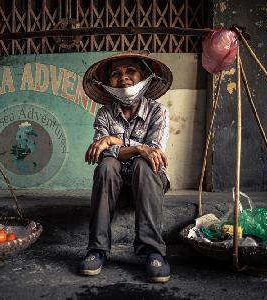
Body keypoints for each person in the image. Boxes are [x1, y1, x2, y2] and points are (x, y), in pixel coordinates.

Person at [79, 51, 173, 283]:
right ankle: (97, 249)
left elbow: (154, 152)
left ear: (143, 76)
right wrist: (135, 147)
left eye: (130, 71)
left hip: (148, 183)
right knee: (107, 165)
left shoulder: (157, 111)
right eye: (116, 74)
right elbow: (103, 152)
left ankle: (153, 251)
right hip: (115, 187)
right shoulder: (104, 114)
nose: (124, 77)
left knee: (144, 163)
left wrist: (113, 140)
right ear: (108, 83)